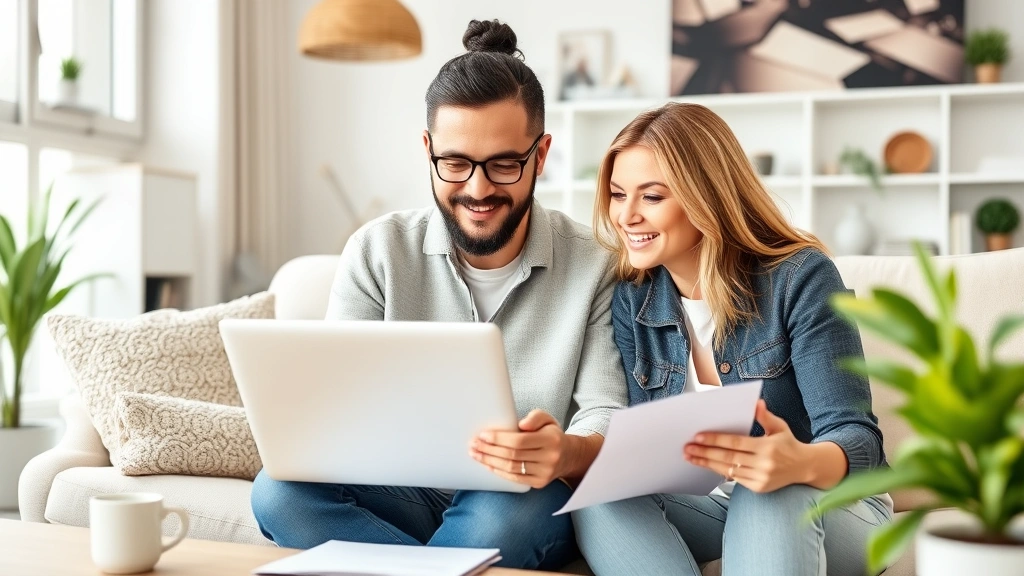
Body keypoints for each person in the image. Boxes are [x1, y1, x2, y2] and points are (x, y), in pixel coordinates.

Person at [249, 19, 627, 571]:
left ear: (540, 156)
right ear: (428, 150)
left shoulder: (595, 263)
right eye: (455, 163)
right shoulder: (377, 250)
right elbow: (333, 409)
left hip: (518, 492)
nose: (477, 189)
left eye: (504, 164)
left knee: (506, 518)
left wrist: (564, 451)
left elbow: (605, 409)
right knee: (278, 493)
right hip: (402, 487)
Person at [572, 102, 894, 576]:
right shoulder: (632, 300)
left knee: (767, 489)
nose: (626, 216)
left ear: (706, 196)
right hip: (711, 504)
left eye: (652, 197)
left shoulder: (800, 278)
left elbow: (859, 442)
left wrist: (797, 461)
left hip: (834, 502)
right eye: (619, 195)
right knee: (598, 498)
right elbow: (650, 455)